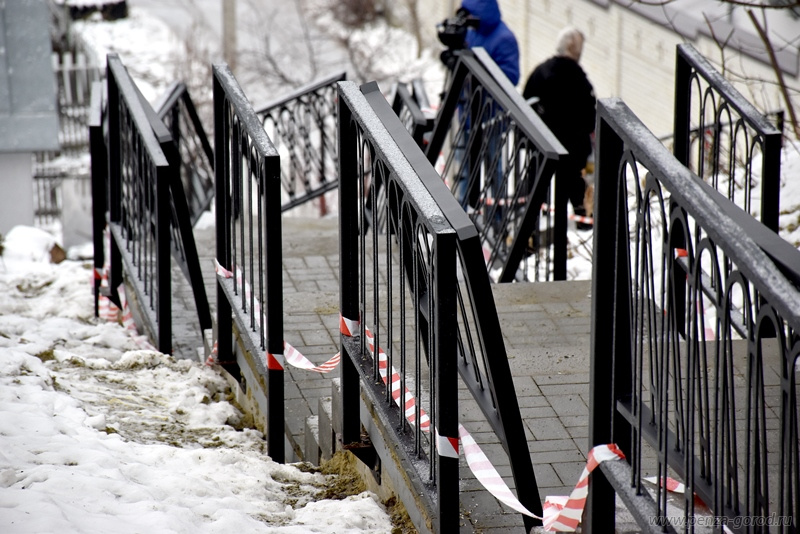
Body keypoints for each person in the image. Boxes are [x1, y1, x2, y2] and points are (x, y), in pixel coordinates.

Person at [445, 0, 519, 220]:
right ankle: (462, 218)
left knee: (494, 169)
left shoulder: (504, 38)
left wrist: (475, 70)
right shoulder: (472, 31)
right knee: (465, 168)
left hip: (491, 117)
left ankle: (497, 221)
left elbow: (511, 77)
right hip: (468, 114)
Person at [523, 27, 596, 229]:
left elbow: (525, 104)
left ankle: (529, 229)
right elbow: (591, 118)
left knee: (535, 188)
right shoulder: (581, 81)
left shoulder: (540, 72)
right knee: (573, 186)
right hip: (572, 150)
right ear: (576, 51)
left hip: (541, 145)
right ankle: (584, 222)